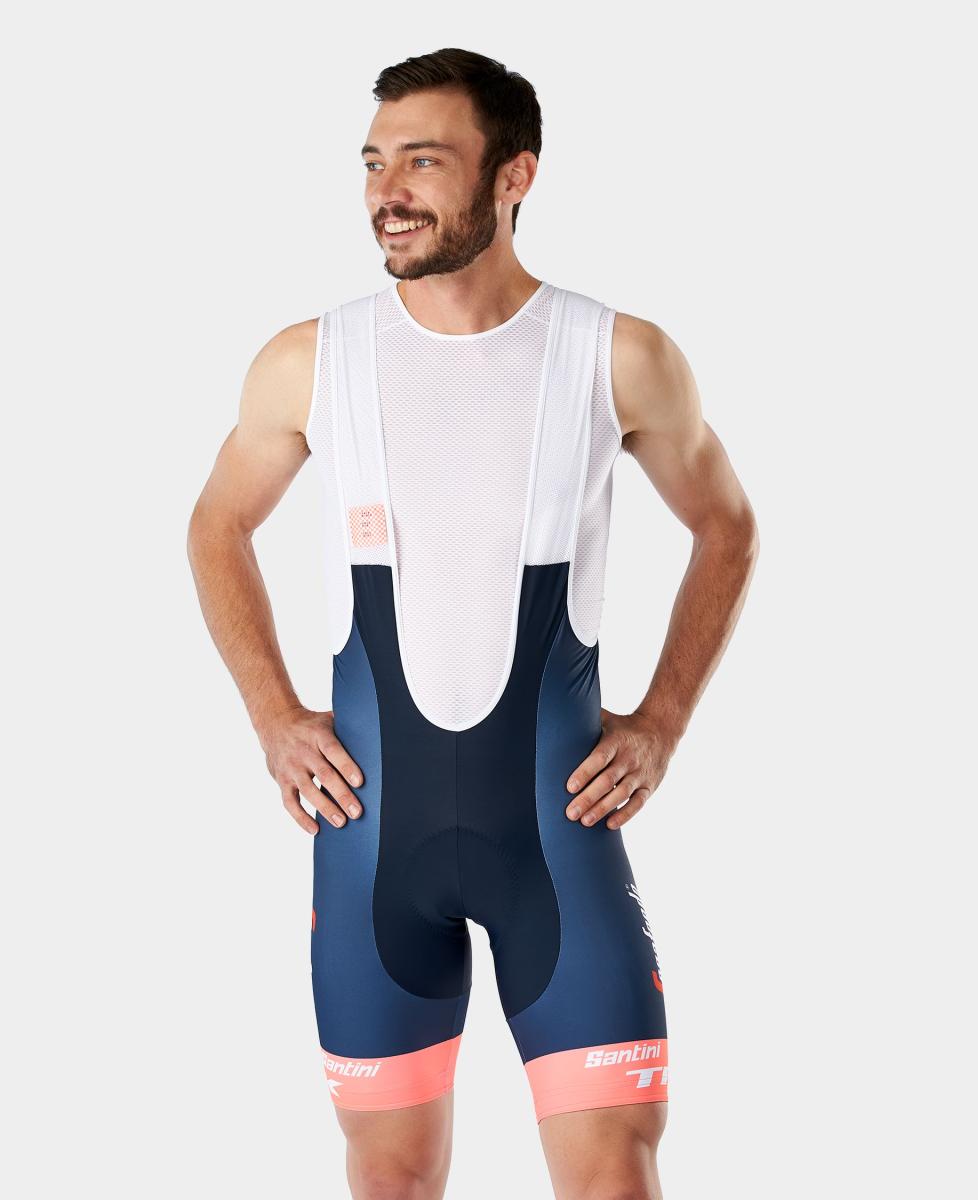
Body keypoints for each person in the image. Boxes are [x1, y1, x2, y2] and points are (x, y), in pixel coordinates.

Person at [187, 47, 758, 1200]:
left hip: (556, 838)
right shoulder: (312, 361)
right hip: (371, 845)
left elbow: (726, 526)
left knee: (613, 1175)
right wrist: (273, 717)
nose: (386, 191)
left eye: (423, 161)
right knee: (390, 1178)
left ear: (514, 176)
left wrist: (661, 721)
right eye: (373, 162)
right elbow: (216, 527)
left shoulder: (616, 355)